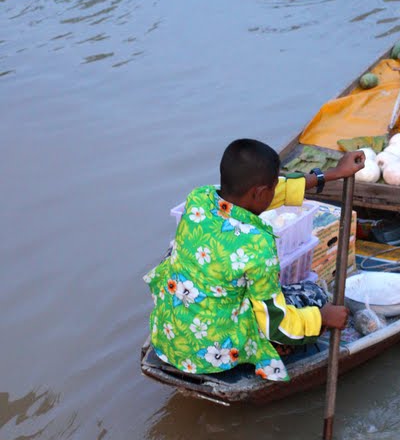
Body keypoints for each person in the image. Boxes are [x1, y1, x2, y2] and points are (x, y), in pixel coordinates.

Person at [144, 139, 365, 383]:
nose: (273, 193)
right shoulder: (258, 245)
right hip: (215, 353)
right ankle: (267, 353)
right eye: (270, 188)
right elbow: (277, 324)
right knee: (311, 295)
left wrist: (332, 174)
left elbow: (273, 191)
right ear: (259, 193)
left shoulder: (199, 198)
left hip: (173, 337)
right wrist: (322, 317)